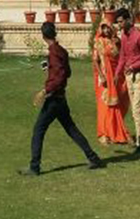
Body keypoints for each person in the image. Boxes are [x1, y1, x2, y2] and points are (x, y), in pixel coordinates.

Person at [21, 21, 102, 175]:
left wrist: (44, 91)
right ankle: (93, 157)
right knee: (71, 129)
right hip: (60, 98)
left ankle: (34, 167)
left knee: (38, 130)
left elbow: (58, 78)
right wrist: (48, 68)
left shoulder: (53, 53)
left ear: (43, 36)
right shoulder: (61, 51)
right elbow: (66, 73)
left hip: (53, 99)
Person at [114, 8, 140, 151]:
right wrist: (117, 73)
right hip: (129, 76)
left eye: (121, 22)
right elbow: (123, 56)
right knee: (134, 110)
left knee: (137, 108)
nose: (119, 25)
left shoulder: (139, 36)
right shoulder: (124, 35)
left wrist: (134, 66)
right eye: (118, 23)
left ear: (128, 20)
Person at [92, 23, 130, 145]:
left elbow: (122, 57)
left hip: (117, 76)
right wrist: (102, 76)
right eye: (103, 27)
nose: (106, 30)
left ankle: (113, 130)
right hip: (104, 77)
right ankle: (104, 133)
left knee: (121, 102)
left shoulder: (116, 41)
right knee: (105, 106)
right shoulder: (98, 41)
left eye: (108, 27)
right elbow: (95, 60)